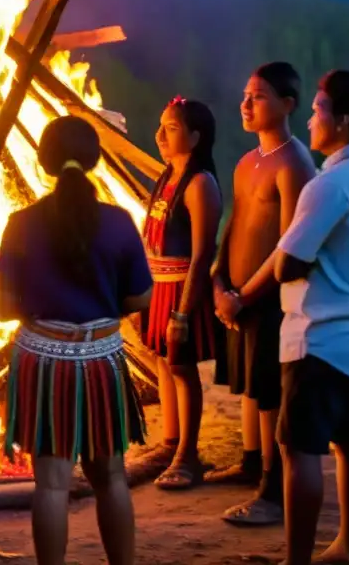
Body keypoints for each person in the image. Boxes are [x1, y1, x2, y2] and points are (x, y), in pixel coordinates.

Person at [0, 115, 153, 565]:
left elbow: (5, 308)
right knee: (112, 477)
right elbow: (140, 295)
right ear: (94, 159)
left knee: (50, 482)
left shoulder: (20, 223)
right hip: (102, 358)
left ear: (43, 162)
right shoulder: (119, 222)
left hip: (43, 361)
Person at [273, 69, 349, 565]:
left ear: (342, 121)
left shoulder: (332, 184)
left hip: (320, 336)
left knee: (299, 451)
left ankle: (297, 559)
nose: (309, 119)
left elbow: (288, 263)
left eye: (318, 108)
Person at [207, 62, 316, 526]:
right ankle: (251, 461)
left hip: (268, 299)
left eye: (259, 96)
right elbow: (234, 224)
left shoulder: (295, 163)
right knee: (250, 385)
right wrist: (217, 280)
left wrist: (245, 295)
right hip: (236, 294)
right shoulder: (247, 162)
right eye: (246, 95)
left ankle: (272, 491)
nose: (246, 104)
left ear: (288, 104)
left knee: (269, 392)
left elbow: (288, 244)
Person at [141, 96, 223, 490]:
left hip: (181, 290)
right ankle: (169, 442)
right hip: (158, 287)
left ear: (195, 136)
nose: (159, 134)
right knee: (160, 363)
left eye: (170, 128)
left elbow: (203, 251)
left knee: (182, 369)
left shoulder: (200, 184)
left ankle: (188, 455)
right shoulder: (166, 176)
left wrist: (183, 312)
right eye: (160, 125)